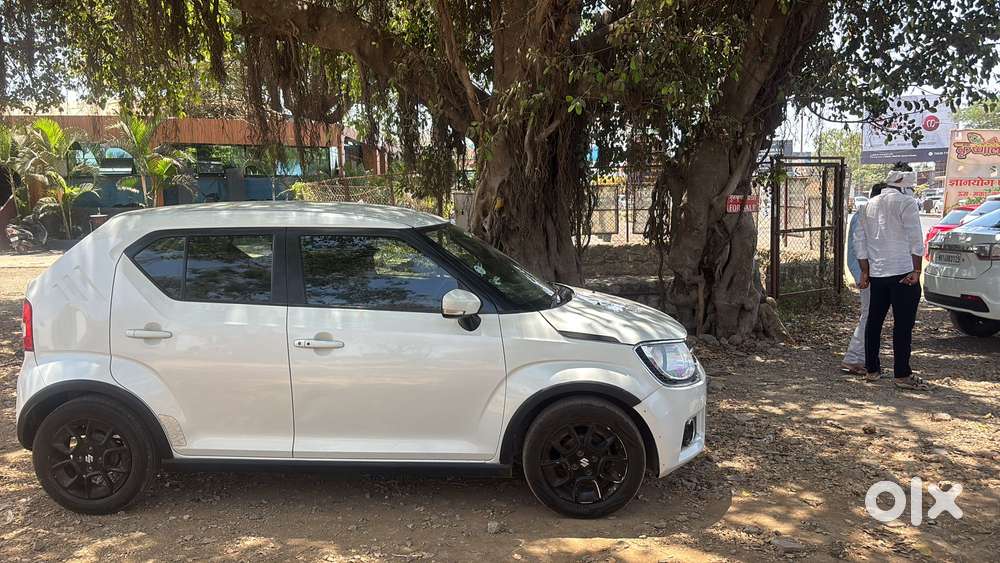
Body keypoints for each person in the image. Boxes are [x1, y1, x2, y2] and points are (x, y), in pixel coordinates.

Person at [855, 164, 928, 390]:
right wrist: (917, 271)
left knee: (874, 322)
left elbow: (860, 242)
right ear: (905, 186)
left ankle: (872, 370)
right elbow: (916, 239)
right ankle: (902, 374)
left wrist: (865, 272)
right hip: (904, 273)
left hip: (877, 274)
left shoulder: (868, 205)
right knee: (903, 325)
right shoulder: (907, 203)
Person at [841, 182, 884, 375]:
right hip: (867, 274)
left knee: (869, 315)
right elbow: (859, 251)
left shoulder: (865, 215)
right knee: (869, 316)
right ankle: (854, 358)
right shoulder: (865, 216)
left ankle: (859, 357)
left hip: (868, 273)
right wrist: (863, 274)